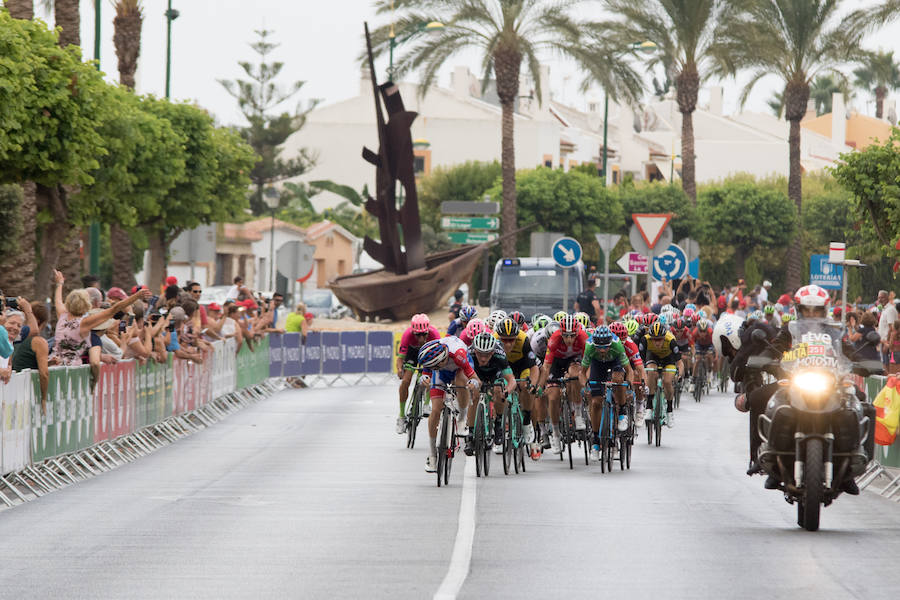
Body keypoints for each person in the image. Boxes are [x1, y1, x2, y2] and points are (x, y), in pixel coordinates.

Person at [51, 270, 150, 366]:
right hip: (72, 367)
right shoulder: (85, 323)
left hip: (55, 364)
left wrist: (59, 283)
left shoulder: (62, 316)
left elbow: (58, 300)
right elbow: (114, 309)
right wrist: (136, 296)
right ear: (87, 305)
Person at [417, 337, 480, 473]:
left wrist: (474, 383)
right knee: (435, 409)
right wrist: (424, 378)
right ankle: (432, 453)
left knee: (461, 380)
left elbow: (475, 379)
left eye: (436, 366)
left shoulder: (458, 354)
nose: (434, 368)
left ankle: (462, 419)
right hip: (441, 375)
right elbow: (426, 373)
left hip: (460, 369)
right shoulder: (431, 355)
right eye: (432, 367)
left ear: (443, 359)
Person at [579, 326, 633, 461]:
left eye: (605, 347)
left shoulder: (617, 345)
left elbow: (629, 371)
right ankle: (596, 442)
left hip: (615, 363)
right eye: (599, 348)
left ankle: (622, 412)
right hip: (597, 365)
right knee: (596, 402)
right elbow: (582, 373)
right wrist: (586, 386)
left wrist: (629, 386)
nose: (602, 350)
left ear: (610, 344)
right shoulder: (589, 347)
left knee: (618, 379)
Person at [537, 314, 587, 454]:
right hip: (556, 363)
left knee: (576, 374)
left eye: (572, 336)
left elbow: (587, 364)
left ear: (577, 333)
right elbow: (546, 367)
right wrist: (540, 385)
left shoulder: (583, 337)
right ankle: (556, 433)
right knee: (552, 397)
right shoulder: (554, 339)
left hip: (574, 360)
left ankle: (577, 413)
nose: (569, 339)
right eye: (566, 336)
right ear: (561, 333)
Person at [464, 332, 516, 456]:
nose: (482, 358)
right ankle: (471, 434)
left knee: (499, 390)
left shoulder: (500, 355)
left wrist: (507, 392)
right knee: (474, 394)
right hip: (476, 373)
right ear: (475, 350)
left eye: (486, 355)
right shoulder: (469, 353)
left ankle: (498, 423)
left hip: (495, 373)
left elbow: (512, 380)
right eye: (479, 354)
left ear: (492, 352)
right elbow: (462, 376)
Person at [493, 317, 539, 456]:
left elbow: (534, 368)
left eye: (511, 340)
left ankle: (526, 421)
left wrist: (533, 385)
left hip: (521, 365)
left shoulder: (524, 339)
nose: (507, 344)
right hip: (502, 365)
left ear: (516, 336)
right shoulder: (494, 339)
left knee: (525, 386)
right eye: (504, 340)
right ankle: (499, 423)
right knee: (499, 389)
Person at [395, 314, 440, 434]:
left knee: (431, 377)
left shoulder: (434, 334)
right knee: (405, 381)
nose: (421, 338)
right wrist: (399, 369)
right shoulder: (407, 335)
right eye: (417, 335)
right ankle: (401, 416)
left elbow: (440, 357)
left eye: (423, 334)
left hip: (428, 354)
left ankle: (426, 404)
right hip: (412, 354)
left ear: (428, 331)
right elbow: (400, 358)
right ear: (413, 332)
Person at [639, 321, 681, 428]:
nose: (657, 343)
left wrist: (680, 374)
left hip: (668, 358)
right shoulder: (645, 340)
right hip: (653, 357)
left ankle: (669, 411)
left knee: (667, 381)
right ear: (650, 337)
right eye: (654, 340)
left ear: (664, 337)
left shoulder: (671, 340)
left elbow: (679, 362)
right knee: (651, 372)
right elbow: (640, 360)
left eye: (660, 339)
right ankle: (648, 407)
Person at [10, 301, 49, 414]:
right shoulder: (38, 342)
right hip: (22, 396)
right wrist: (43, 399)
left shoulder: (14, 337)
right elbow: (44, 374)